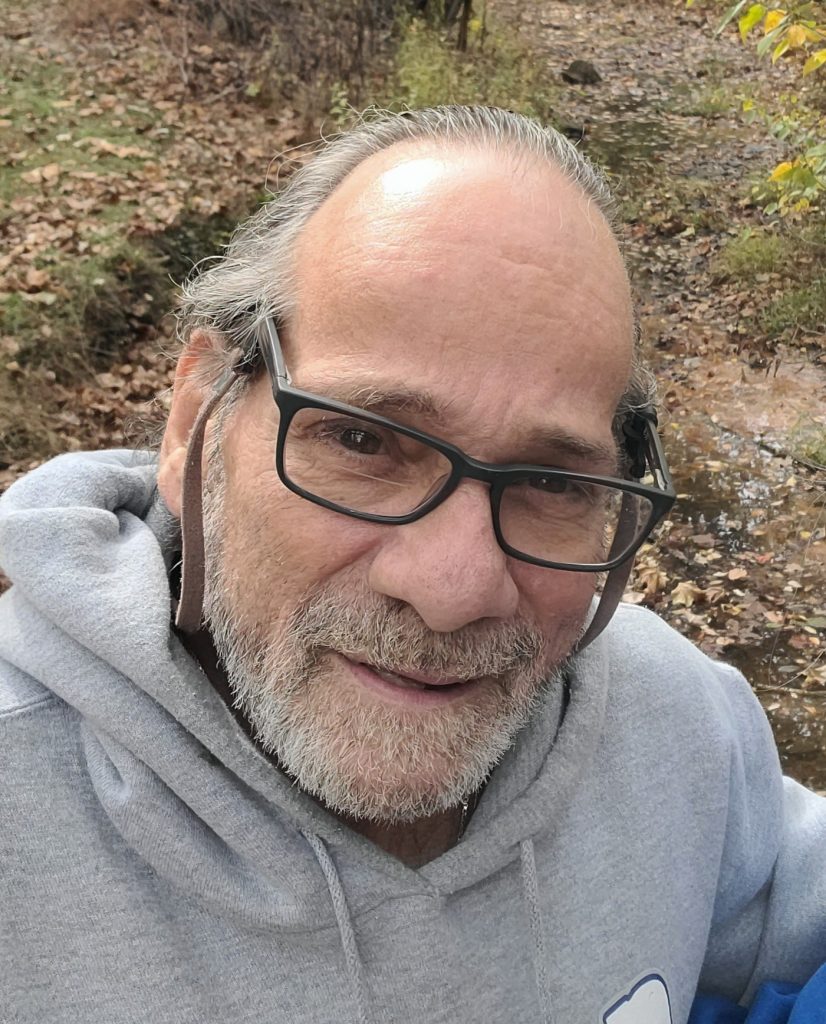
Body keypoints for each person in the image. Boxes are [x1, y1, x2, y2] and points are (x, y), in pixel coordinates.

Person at [1, 106, 824, 1024]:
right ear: (196, 419)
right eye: (362, 440)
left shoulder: (682, 727)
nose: (451, 592)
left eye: (552, 481)